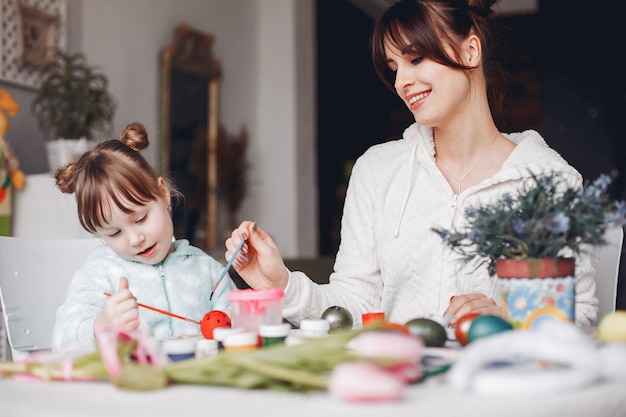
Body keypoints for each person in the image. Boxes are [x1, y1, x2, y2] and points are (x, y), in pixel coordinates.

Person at [225, 0, 598, 329]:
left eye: (416, 58)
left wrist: (510, 320)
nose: (402, 81)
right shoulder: (377, 171)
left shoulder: (545, 182)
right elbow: (356, 304)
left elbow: (578, 320)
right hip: (396, 392)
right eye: (394, 67)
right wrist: (281, 286)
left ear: (471, 51)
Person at [51, 122, 236, 352]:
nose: (135, 239)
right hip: (136, 384)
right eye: (115, 232)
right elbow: (62, 338)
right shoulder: (100, 273)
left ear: (163, 194)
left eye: (140, 219)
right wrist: (99, 326)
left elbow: (239, 323)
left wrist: (236, 319)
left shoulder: (206, 269)